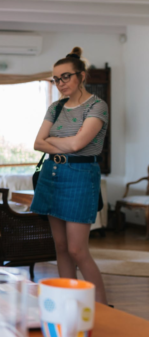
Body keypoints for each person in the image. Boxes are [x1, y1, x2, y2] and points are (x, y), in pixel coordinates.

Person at [32, 47, 108, 304]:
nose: (60, 83)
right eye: (56, 79)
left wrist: (54, 140)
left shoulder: (98, 106)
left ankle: (102, 306)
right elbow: (38, 143)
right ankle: (68, 302)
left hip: (80, 176)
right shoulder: (55, 107)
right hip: (52, 174)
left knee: (77, 249)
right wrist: (62, 141)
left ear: (81, 76)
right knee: (61, 248)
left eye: (66, 76)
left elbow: (78, 145)